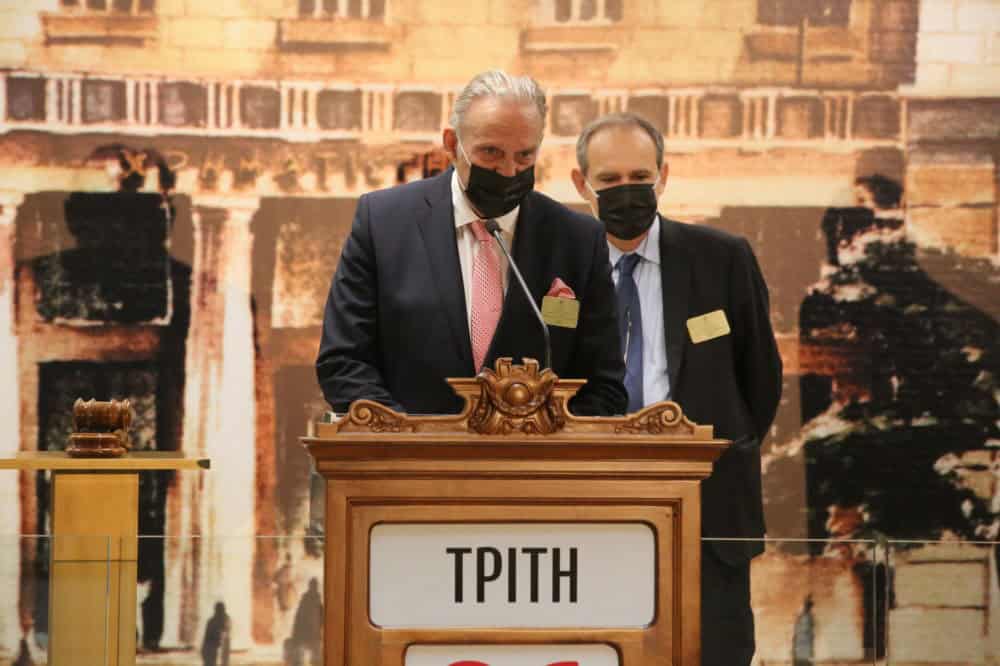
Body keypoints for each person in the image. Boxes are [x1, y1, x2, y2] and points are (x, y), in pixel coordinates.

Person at [571, 112, 783, 665]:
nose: (627, 191)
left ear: (663, 176)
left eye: (640, 177)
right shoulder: (560, 269)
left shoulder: (722, 258)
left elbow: (760, 380)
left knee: (713, 651)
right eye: (610, 180)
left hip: (710, 507)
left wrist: (722, 448)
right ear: (582, 184)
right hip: (591, 503)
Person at [317, 70, 626, 416]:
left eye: (524, 155)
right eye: (491, 152)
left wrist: (544, 439)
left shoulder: (579, 240)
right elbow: (344, 362)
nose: (508, 171)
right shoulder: (383, 223)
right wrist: (407, 436)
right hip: (408, 448)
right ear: (452, 145)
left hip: (533, 450)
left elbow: (604, 386)